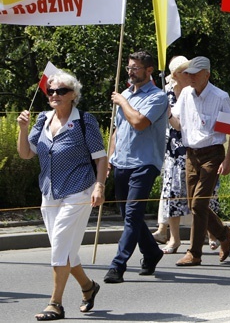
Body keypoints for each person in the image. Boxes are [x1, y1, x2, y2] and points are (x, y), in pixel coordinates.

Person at [18, 70, 107, 320]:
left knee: (59, 245)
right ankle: (88, 287)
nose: (55, 95)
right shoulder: (42, 120)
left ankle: (55, 304)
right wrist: (23, 130)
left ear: (73, 95)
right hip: (49, 191)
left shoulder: (84, 121)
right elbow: (26, 154)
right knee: (66, 248)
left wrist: (99, 186)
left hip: (79, 190)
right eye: (51, 91)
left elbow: (100, 158)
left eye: (61, 91)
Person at [104, 50, 168, 284]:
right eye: (129, 67)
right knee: (128, 214)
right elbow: (118, 130)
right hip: (122, 162)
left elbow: (139, 123)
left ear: (149, 70)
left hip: (145, 163)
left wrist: (122, 101)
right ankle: (152, 252)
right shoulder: (124, 94)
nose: (130, 72)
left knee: (132, 216)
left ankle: (117, 265)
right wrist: (110, 158)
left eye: (135, 68)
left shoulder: (158, 96)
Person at [169, 56, 230, 266]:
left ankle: (195, 253)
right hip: (191, 153)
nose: (190, 77)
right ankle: (224, 233)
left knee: (199, 203)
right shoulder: (185, 95)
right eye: (188, 73)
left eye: (195, 73)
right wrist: (165, 113)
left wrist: (227, 160)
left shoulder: (220, 96)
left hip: (213, 153)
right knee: (194, 204)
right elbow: (178, 124)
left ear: (207, 75)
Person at [151, 56, 190, 254]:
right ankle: (174, 239)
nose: (188, 74)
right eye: (184, 71)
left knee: (200, 197)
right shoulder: (164, 94)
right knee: (172, 195)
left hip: (194, 150)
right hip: (172, 152)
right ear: (175, 75)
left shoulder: (193, 92)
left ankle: (209, 235)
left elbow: (182, 125)